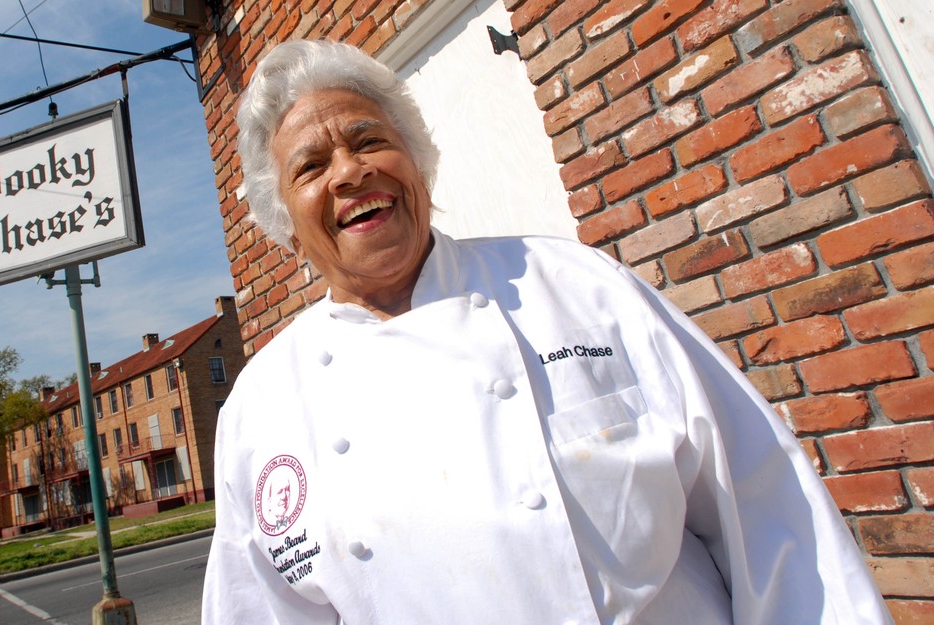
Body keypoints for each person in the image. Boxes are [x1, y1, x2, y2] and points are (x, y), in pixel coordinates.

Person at [201, 39, 893, 625]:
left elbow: (765, 501)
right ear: (285, 224)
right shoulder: (262, 410)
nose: (351, 171)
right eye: (312, 167)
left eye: (369, 140)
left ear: (415, 162)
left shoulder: (577, 288)